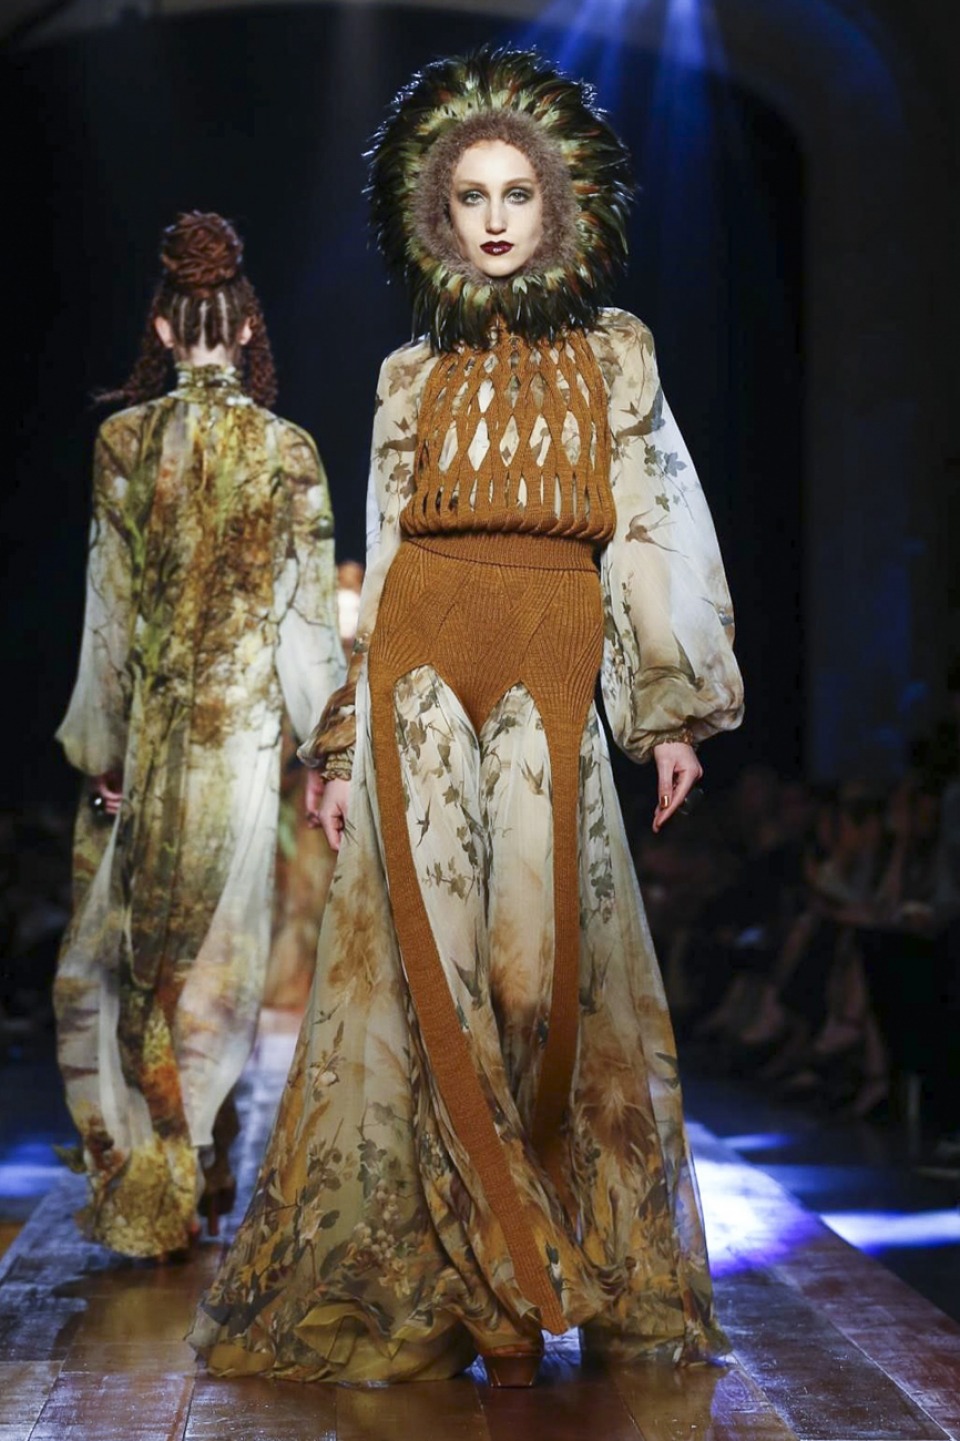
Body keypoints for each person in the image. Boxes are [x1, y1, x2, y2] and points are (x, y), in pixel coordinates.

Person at [190, 48, 743, 1384]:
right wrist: (339, 739)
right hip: (422, 673)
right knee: (433, 980)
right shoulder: (406, 375)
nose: (496, 218)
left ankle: (538, 1244)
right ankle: (474, 1283)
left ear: (559, 204)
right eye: (471, 196)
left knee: (534, 977)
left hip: (551, 659)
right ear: (437, 214)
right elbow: (382, 560)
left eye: (518, 193)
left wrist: (667, 710)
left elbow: (655, 527)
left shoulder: (617, 355)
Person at [53, 211, 344, 1260]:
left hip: (153, 735)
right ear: (249, 327)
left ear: (167, 329)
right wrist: (328, 751)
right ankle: (204, 1154)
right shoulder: (288, 451)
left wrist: (104, 745)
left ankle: (158, 1171)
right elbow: (308, 625)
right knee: (223, 959)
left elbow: (110, 610)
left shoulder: (123, 443)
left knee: (137, 957)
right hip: (243, 746)